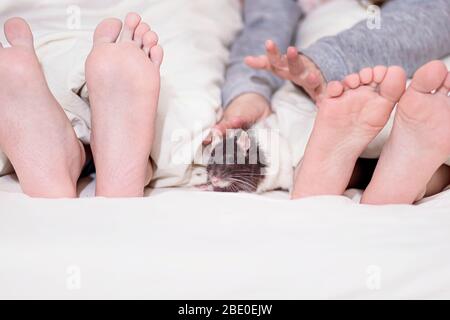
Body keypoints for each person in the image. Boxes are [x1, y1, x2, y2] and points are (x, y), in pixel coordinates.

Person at [0, 13, 163, 198]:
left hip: (53, 68)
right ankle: (129, 175)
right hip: (94, 75)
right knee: (158, 153)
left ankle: (67, 158)